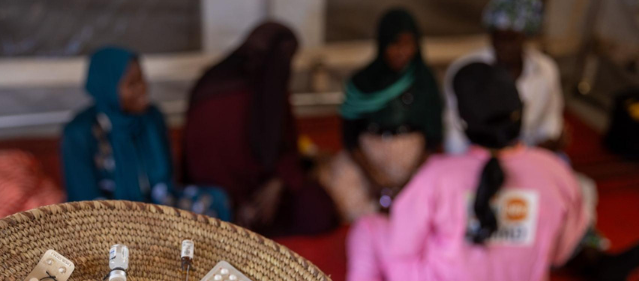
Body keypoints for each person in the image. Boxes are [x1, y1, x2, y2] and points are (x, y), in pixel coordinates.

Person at [346, 62, 639, 281]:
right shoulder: (556, 172)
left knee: (369, 226)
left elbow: (403, 248)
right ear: (521, 112)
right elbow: (560, 253)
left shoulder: (436, 177)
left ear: (461, 122)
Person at [182, 22, 338, 237]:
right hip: (220, 197)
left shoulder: (272, 87)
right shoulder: (212, 91)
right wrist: (237, 204)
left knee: (316, 207)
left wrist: (278, 182)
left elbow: (287, 146)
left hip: (265, 192)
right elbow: (201, 161)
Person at [62, 47, 230, 220]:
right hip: (105, 214)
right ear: (108, 87)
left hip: (157, 204)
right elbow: (84, 199)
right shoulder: (79, 132)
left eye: (142, 79)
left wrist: (154, 212)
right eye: (132, 84)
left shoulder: (152, 118)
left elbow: (166, 181)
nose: (143, 89)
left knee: (214, 200)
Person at [318, 8, 443, 222]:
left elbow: (433, 140)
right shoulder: (361, 82)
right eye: (395, 44)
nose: (402, 51)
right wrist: (374, 178)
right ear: (383, 43)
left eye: (408, 44)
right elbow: (350, 137)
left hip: (414, 160)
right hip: (368, 159)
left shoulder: (424, 81)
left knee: (438, 193)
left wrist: (409, 181)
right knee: (338, 185)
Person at [444, 0, 564, 154]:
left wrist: (541, 148)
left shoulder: (545, 69)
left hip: (529, 154)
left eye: (512, 38)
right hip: (477, 156)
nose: (504, 46)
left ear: (525, 36)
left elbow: (550, 121)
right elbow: (454, 132)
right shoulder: (466, 72)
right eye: (498, 37)